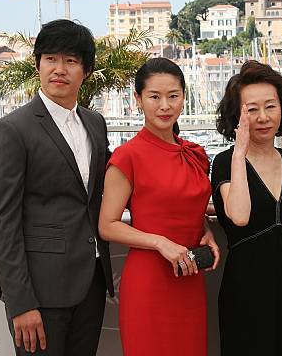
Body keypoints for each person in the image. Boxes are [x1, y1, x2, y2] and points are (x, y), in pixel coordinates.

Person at [0, 19, 114, 356]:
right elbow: (1, 223)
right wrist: (20, 302)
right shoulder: (12, 130)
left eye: (70, 61)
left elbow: (106, 188)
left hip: (91, 285)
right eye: (51, 59)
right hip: (39, 296)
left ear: (85, 70)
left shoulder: (95, 123)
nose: (60, 69)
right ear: (37, 63)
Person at [98, 57, 219, 356]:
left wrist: (206, 231)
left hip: (189, 276)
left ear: (183, 97)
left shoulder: (195, 154)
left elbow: (187, 204)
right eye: (154, 96)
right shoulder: (128, 157)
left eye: (173, 96)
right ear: (138, 99)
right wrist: (161, 243)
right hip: (149, 281)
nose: (165, 106)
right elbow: (107, 225)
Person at [211, 60, 282, 356]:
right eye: (251, 110)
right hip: (247, 285)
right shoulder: (226, 162)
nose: (263, 117)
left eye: (271, 106)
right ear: (236, 116)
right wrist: (240, 153)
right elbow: (239, 216)